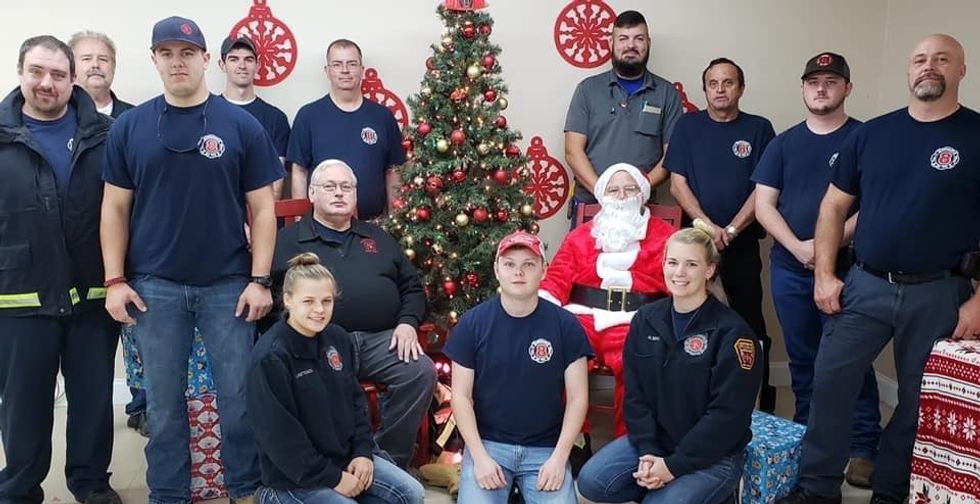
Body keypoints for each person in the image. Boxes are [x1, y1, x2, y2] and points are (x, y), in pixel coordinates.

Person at [777, 34, 980, 504]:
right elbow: (832, 208)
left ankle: (890, 490)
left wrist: (978, 300)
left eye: (942, 59)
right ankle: (816, 488)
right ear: (909, 72)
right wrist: (826, 274)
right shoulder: (871, 135)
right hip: (866, 285)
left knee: (915, 400)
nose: (929, 67)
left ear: (961, 71)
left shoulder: (975, 135)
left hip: (941, 293)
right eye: (920, 59)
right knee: (829, 383)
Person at [101, 16, 283, 503]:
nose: (177, 61)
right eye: (167, 53)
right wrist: (115, 279)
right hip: (153, 286)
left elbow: (264, 209)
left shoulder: (241, 125)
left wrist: (260, 279)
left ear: (207, 60)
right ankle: (168, 494)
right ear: (155, 60)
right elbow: (114, 207)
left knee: (239, 401)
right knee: (162, 408)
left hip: (228, 284)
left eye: (187, 52)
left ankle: (245, 490)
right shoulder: (130, 127)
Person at [0, 35, 120, 504]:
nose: (46, 83)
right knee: (24, 407)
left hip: (92, 295)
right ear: (20, 72)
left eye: (57, 74)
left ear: (73, 79)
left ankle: (91, 485)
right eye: (37, 72)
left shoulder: (107, 135)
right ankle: (20, 489)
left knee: (92, 403)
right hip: (20, 298)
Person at [752, 52, 880, 488]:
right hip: (790, 269)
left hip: (850, 269)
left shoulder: (868, 138)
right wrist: (798, 247)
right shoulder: (783, 143)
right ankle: (808, 438)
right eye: (813, 81)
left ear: (847, 87)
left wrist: (825, 246)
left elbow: (874, 204)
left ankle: (864, 447)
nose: (821, 88)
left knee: (851, 361)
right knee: (805, 361)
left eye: (830, 80)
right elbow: (764, 204)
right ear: (803, 88)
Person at [577, 221, 762, 504]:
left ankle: (707, 493)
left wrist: (673, 467)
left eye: (691, 264)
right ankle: (661, 485)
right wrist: (649, 453)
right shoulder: (645, 320)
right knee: (592, 482)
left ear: (709, 270)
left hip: (714, 455)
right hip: (659, 443)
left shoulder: (733, 333)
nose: (679, 272)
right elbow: (635, 396)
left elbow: (727, 417)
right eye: (672, 262)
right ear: (663, 264)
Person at [272, 159, 435, 468]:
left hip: (381, 341)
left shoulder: (378, 237)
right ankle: (329, 465)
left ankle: (387, 461)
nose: (339, 193)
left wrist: (407, 323)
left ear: (356, 196)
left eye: (346, 187)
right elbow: (271, 296)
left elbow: (412, 287)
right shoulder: (288, 241)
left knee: (420, 371)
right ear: (312, 193)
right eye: (329, 187)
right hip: (317, 345)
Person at [247, 252, 425, 504]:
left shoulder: (338, 339)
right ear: (287, 300)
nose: (319, 310)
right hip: (294, 478)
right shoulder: (271, 357)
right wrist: (335, 479)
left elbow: (356, 403)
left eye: (326, 301)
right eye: (308, 301)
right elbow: (281, 439)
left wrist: (363, 453)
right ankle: (269, 498)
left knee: (412, 493)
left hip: (345, 459)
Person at [663, 57, 777, 412]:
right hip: (696, 245)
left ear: (741, 88)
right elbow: (677, 184)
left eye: (729, 82)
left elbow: (765, 187)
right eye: (713, 83)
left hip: (741, 245)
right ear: (705, 89)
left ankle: (755, 401)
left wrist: (730, 229)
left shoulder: (759, 129)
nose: (721, 89)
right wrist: (707, 227)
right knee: (692, 316)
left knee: (748, 321)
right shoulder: (688, 126)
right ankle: (693, 395)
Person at [446, 230, 592, 503]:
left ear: (544, 270)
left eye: (529, 264)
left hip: (546, 449)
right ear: (497, 270)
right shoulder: (472, 325)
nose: (519, 272)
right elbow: (461, 397)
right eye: (509, 264)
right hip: (488, 447)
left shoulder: (566, 326)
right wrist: (478, 458)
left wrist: (560, 458)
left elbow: (578, 398)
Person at [539, 163, 673, 438]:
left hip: (638, 318)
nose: (622, 196)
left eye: (629, 189)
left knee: (637, 360)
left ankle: (631, 442)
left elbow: (678, 278)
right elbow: (557, 278)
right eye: (613, 190)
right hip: (582, 315)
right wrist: (541, 310)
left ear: (642, 193)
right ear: (603, 196)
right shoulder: (580, 237)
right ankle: (574, 438)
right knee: (560, 350)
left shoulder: (664, 236)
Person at [563, 10, 683, 215]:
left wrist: (638, 193)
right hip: (592, 204)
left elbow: (671, 156)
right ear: (612, 44)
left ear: (648, 43)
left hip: (643, 208)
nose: (630, 46)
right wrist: (603, 192)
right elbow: (573, 152)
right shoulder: (587, 89)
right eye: (623, 38)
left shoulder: (667, 93)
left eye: (639, 38)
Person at [287, 39, 404, 219]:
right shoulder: (308, 116)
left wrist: (396, 221)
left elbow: (393, 171)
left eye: (352, 64)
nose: (345, 70)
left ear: (362, 70)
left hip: (373, 225)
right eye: (337, 64)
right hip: (321, 227)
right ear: (327, 71)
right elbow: (299, 172)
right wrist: (300, 222)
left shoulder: (382, 117)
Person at [218, 35, 290, 199]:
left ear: (257, 65)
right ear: (222, 65)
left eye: (248, 59)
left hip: (261, 214)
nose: (242, 65)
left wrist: (260, 219)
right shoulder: (207, 113)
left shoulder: (275, 118)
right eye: (234, 59)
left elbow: (276, 182)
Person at [69, 30, 134, 119]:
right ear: (70, 67)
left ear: (113, 67)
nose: (95, 65)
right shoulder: (57, 114)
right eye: (87, 59)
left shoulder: (134, 116)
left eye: (103, 59)